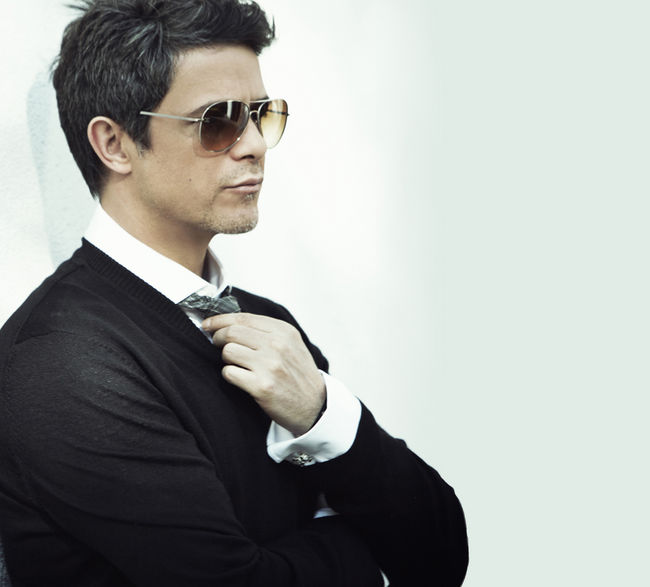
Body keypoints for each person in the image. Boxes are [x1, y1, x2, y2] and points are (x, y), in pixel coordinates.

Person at [0, 1, 468, 585]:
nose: (254, 145)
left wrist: (322, 414)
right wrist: (357, 545)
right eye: (218, 121)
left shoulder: (265, 325)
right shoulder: (60, 361)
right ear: (114, 144)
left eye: (261, 115)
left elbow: (439, 556)